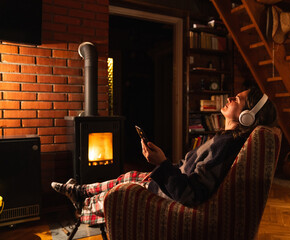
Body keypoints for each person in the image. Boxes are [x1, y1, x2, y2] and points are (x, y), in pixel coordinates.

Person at [51, 86, 277, 226]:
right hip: (172, 182)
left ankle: (83, 207)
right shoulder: (224, 139)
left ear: (247, 117)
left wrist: (162, 163)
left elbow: (192, 193)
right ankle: (80, 192)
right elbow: (188, 168)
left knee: (124, 188)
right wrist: (165, 163)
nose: (229, 98)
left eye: (237, 99)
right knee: (129, 176)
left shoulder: (226, 146)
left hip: (173, 194)